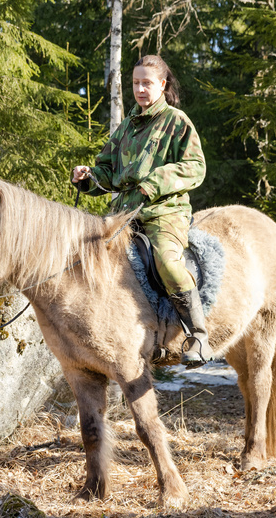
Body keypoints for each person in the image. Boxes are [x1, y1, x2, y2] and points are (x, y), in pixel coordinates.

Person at [71, 54, 208, 367]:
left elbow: (196, 168)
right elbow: (106, 173)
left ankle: (198, 334)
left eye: (147, 83)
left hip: (164, 213)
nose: (141, 89)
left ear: (162, 84)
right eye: (136, 83)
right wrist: (88, 177)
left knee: (168, 264)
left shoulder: (176, 122)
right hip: (123, 215)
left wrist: (156, 181)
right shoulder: (125, 128)